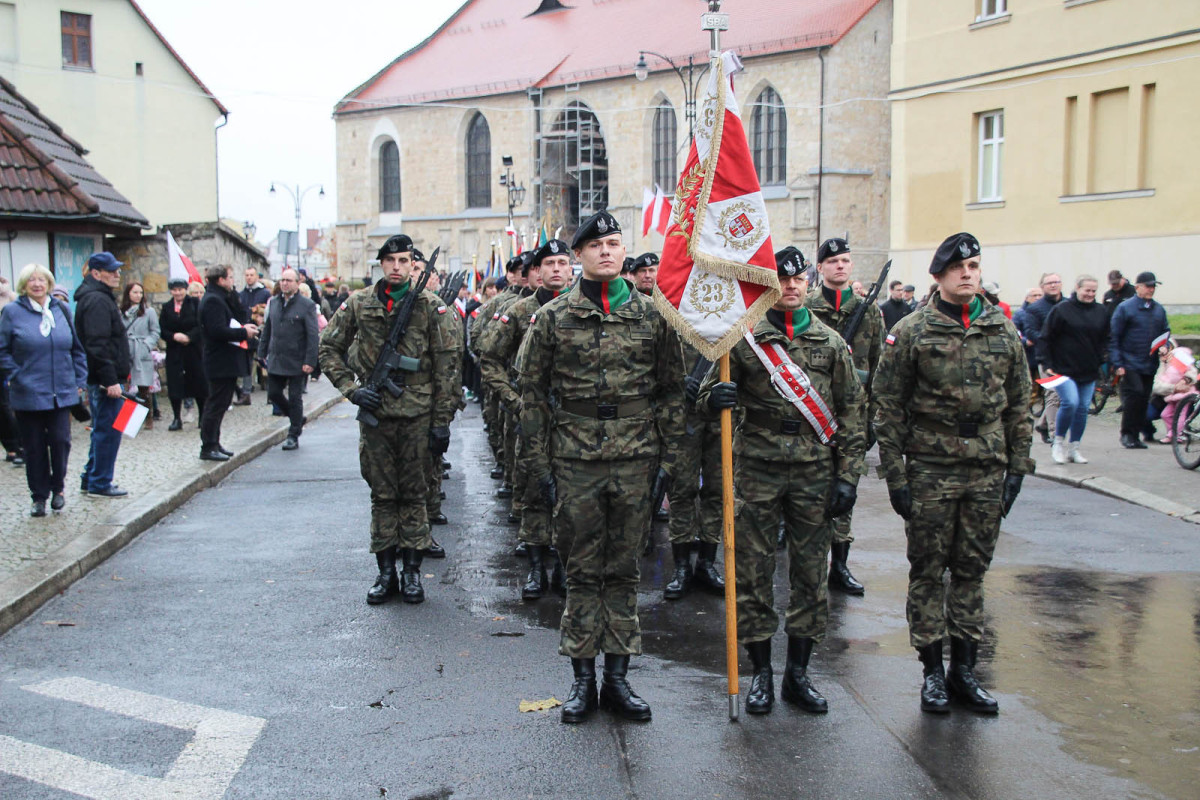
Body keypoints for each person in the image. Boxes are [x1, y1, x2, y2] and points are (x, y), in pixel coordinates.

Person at [517, 211, 685, 724]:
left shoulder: (652, 317)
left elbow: (672, 392)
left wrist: (670, 464)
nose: (607, 252)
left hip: (636, 460)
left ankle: (618, 678)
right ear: (579, 256)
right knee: (582, 570)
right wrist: (538, 468)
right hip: (574, 461)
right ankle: (581, 679)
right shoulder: (552, 318)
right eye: (596, 245)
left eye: (615, 243)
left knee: (625, 569)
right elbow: (531, 397)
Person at [699, 246, 866, 715]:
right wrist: (717, 397)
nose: (790, 287)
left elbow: (854, 414)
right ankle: (760, 674)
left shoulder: (831, 344)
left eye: (798, 280)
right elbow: (705, 392)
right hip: (758, 468)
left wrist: (848, 478)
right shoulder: (743, 339)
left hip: (815, 472)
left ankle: (798, 673)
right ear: (768, 285)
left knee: (811, 575)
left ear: (807, 283)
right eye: (781, 280)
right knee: (753, 571)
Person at [873, 232, 1033, 715]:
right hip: (932, 468)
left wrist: (1018, 468)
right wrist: (896, 476)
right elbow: (887, 404)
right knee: (927, 571)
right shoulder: (914, 331)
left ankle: (965, 670)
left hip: (986, 468)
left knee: (971, 571)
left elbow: (1020, 404)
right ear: (939, 275)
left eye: (975, 266)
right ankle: (932, 673)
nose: (969, 273)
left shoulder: (1001, 330)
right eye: (959, 268)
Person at [318, 234, 457, 606]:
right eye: (390, 260)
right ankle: (385, 573)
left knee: (414, 494)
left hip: (417, 417)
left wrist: (442, 421)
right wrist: (351, 389)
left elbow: (448, 367)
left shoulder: (430, 306)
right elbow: (328, 346)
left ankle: (411, 573)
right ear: (380, 264)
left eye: (404, 260)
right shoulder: (359, 303)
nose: (397, 266)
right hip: (377, 415)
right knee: (382, 495)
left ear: (414, 265)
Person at [479, 239, 572, 599]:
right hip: (532, 416)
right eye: (548, 264)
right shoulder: (519, 312)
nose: (556, 270)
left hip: (572, 421)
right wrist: (514, 401)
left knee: (570, 496)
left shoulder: (582, 308)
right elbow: (490, 359)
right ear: (537, 271)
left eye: (562, 263)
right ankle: (535, 569)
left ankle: (564, 567)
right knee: (534, 492)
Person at [805, 237, 882, 596]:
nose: (840, 266)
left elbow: (880, 366)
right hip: (812, 411)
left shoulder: (870, 311)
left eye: (846, 260)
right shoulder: (806, 307)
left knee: (846, 486)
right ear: (819, 268)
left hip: (852, 412)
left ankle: (841, 564)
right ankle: (808, 562)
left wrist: (873, 417)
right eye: (833, 260)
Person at [0, 264, 88, 515]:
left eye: (42, 280)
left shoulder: (60, 309)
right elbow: (2, 351)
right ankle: (38, 496)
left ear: (49, 283)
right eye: (32, 280)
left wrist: (79, 379)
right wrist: (17, 374)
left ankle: (58, 487)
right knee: (35, 446)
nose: (37, 284)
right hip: (28, 393)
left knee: (60, 442)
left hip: (61, 391)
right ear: (24, 285)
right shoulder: (12, 312)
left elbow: (76, 349)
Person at [73, 252, 133, 498]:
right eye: (112, 270)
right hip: (105, 381)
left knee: (102, 429)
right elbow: (97, 344)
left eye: (118, 270)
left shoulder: (97, 296)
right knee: (108, 431)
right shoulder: (97, 300)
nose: (118, 274)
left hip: (106, 378)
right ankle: (100, 482)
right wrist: (110, 380)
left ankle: (92, 478)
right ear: (96, 273)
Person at [1037, 275, 1109, 464]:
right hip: (1061, 368)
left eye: (1094, 291)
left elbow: (1106, 338)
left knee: (1083, 408)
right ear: (1077, 288)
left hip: (1088, 368)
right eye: (1087, 290)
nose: (1090, 294)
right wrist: (1046, 363)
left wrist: (1105, 358)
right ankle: (1058, 442)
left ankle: (1074, 447)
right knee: (1070, 402)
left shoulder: (1101, 311)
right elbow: (1046, 337)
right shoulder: (1062, 310)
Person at [198, 265, 258, 461]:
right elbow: (217, 331)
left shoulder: (222, 297)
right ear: (220, 280)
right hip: (219, 360)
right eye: (230, 278)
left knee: (222, 403)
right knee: (215, 404)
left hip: (227, 360)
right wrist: (243, 333)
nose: (233, 281)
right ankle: (208, 446)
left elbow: (238, 316)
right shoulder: (212, 301)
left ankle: (215, 443)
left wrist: (234, 299)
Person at [257, 269, 318, 451]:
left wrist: (310, 360)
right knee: (274, 393)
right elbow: (268, 328)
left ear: (297, 283)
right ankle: (296, 418)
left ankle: (293, 434)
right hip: (277, 357)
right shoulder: (274, 302)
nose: (285, 283)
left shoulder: (306, 305)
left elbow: (312, 335)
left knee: (294, 397)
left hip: (297, 360)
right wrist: (262, 351)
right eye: (282, 280)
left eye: (289, 280)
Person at [1109, 271, 1170, 449]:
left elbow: (1165, 331)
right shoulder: (1125, 308)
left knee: (1143, 398)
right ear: (1137, 287)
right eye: (1148, 286)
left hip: (1149, 362)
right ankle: (1128, 434)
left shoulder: (1158, 309)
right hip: (1129, 361)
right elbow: (1114, 337)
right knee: (1134, 396)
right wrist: (1117, 363)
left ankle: (1141, 431)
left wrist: (1165, 346)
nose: (1151, 289)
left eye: (1153, 286)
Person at [160, 278, 207, 431]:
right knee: (175, 384)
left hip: (193, 350)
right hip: (175, 350)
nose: (178, 292)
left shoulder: (194, 303)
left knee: (198, 383)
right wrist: (174, 336)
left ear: (185, 289)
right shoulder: (167, 307)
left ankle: (202, 417)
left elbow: (201, 324)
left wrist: (189, 337)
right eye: (174, 289)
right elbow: (163, 329)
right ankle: (176, 418)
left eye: (180, 289)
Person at [1024, 273, 1064, 443]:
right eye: (1049, 283)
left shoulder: (1068, 305)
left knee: (1065, 398)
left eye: (1056, 282)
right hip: (1046, 358)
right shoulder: (1035, 308)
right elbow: (1030, 331)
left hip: (1069, 358)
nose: (1053, 285)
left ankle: (1043, 424)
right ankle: (1055, 434)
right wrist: (1049, 338)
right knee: (1053, 395)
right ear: (1042, 286)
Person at [120, 282, 160, 431]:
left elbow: (155, 331)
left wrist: (146, 345)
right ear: (128, 294)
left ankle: (148, 418)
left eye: (140, 292)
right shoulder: (121, 312)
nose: (138, 295)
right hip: (126, 351)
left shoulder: (149, 312)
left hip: (141, 350)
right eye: (135, 292)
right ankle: (127, 422)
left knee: (144, 387)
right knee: (126, 387)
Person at [237, 267, 270, 404]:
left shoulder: (264, 293)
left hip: (262, 331)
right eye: (247, 275)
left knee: (265, 361)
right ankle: (246, 391)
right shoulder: (241, 294)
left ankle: (271, 390)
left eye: (251, 275)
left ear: (256, 276)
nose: (249, 277)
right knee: (247, 362)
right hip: (246, 332)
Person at [1155, 343, 1197, 442]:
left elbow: (1191, 370)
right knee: (1165, 415)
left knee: (1181, 414)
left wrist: (1185, 380)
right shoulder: (1161, 364)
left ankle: (1175, 435)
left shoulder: (1179, 355)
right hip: (1172, 394)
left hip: (1185, 392)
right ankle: (1174, 432)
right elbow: (1156, 385)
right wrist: (1174, 388)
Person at [1011, 287, 1044, 382]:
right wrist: (1026, 341)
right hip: (1028, 355)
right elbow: (1014, 332)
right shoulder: (1019, 314)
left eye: (1040, 295)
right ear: (1027, 298)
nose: (1037, 298)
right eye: (1034, 295)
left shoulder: (1047, 311)